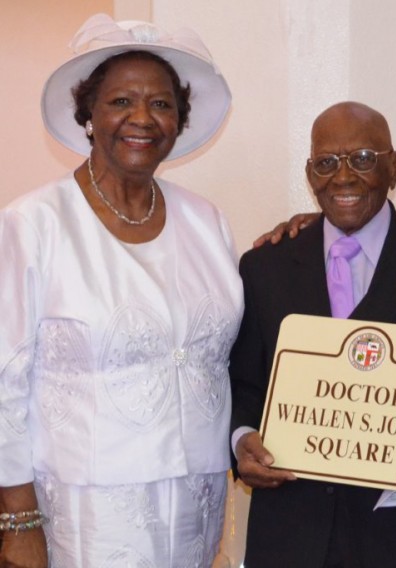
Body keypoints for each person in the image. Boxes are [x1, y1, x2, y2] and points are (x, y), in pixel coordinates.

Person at [0, 14, 243, 568]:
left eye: (161, 104)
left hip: (199, 505)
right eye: (120, 102)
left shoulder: (209, 222)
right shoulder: (30, 224)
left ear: (179, 121)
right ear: (88, 115)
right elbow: (3, 387)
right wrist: (17, 523)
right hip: (88, 517)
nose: (142, 118)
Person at [229, 101, 396, 568]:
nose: (343, 177)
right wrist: (243, 439)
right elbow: (245, 385)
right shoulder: (264, 269)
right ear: (310, 174)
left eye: (363, 159)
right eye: (326, 163)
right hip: (290, 539)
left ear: (395, 166)